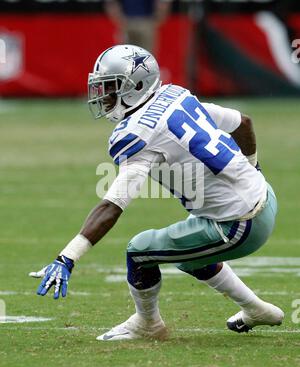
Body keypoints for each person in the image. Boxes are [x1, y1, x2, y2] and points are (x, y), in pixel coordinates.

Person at [30, 44, 284, 341]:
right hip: (265, 196)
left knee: (139, 251)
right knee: (188, 253)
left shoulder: (138, 134)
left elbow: (112, 205)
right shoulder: (174, 95)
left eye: (111, 87)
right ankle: (256, 309)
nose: (104, 96)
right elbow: (243, 122)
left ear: (136, 85)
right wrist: (253, 170)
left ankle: (147, 324)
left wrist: (67, 257)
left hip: (240, 225)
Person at [104, 0, 173, 53]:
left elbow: (163, 4)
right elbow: (111, 3)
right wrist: (118, 18)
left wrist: (159, 16)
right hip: (127, 22)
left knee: (147, 58)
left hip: (146, 22)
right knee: (125, 57)